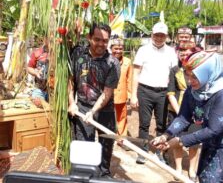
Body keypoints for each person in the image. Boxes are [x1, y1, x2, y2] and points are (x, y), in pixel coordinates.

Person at [151, 50, 223, 182]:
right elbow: (183, 118)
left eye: (195, 77)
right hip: (211, 143)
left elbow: (214, 130)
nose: (190, 81)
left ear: (208, 73)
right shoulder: (192, 91)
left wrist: (180, 141)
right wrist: (166, 135)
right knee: (208, 178)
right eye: (188, 76)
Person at [68, 22, 120, 178]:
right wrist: (72, 103)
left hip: (105, 109)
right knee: (85, 145)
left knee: (106, 144)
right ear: (89, 37)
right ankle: (85, 175)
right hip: (82, 107)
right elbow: (70, 80)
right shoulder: (77, 53)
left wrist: (93, 111)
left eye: (105, 40)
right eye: (97, 39)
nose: (101, 44)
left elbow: (107, 93)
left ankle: (104, 175)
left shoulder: (113, 63)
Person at [130, 22, 178, 164]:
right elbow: (136, 73)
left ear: (166, 36)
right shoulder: (143, 50)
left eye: (162, 35)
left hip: (163, 93)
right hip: (145, 91)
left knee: (162, 124)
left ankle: (160, 152)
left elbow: (176, 74)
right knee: (144, 123)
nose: (158, 38)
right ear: (152, 34)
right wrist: (133, 95)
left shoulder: (170, 51)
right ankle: (142, 151)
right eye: (156, 35)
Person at [167, 41, 202, 180]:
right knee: (177, 140)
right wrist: (180, 113)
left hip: (196, 111)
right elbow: (170, 92)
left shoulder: (199, 69)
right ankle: (179, 168)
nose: (184, 53)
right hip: (176, 108)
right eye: (181, 51)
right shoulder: (174, 70)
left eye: (188, 51)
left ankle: (192, 170)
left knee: (195, 141)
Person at [110, 37, 132, 137]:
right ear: (111, 48)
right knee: (106, 116)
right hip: (108, 94)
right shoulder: (106, 60)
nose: (118, 51)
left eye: (120, 48)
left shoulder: (127, 62)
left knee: (122, 117)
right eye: (116, 48)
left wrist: (130, 95)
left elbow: (129, 79)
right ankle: (108, 137)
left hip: (121, 94)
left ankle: (121, 138)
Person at [27, 37, 49, 101]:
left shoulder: (61, 54)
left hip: (56, 90)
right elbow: (29, 67)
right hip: (39, 89)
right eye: (50, 39)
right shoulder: (37, 52)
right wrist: (36, 72)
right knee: (38, 106)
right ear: (45, 39)